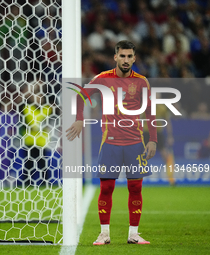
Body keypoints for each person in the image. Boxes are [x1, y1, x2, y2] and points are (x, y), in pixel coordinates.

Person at [66, 40, 157, 245]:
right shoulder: (103, 79)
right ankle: (104, 234)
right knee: (106, 188)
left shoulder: (142, 81)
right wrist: (80, 119)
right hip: (111, 143)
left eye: (129, 56)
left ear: (134, 58)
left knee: (136, 188)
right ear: (115, 57)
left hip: (135, 143)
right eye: (122, 56)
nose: (126, 60)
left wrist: (153, 140)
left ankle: (133, 234)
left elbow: (150, 112)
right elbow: (81, 96)